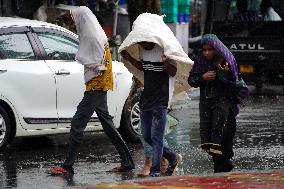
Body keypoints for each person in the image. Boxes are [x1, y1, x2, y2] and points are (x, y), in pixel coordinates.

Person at [47, 6, 135, 175]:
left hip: (97, 84)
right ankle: (127, 162)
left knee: (77, 123)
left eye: (74, 21)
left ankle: (67, 166)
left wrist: (91, 66)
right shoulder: (94, 32)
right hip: (97, 82)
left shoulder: (93, 36)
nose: (75, 25)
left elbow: (94, 61)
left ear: (82, 20)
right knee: (107, 124)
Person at [121, 41, 182, 177]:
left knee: (157, 136)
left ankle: (155, 169)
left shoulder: (164, 49)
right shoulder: (142, 50)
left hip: (161, 98)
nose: (143, 44)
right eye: (140, 42)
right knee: (146, 135)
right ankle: (173, 157)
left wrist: (166, 62)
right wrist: (130, 58)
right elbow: (143, 67)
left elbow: (174, 72)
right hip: (146, 99)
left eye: (145, 42)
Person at [188, 34, 239, 173]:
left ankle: (224, 166)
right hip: (206, 105)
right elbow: (191, 80)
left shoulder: (226, 60)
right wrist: (202, 78)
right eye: (204, 50)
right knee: (210, 138)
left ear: (216, 49)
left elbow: (234, 82)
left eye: (210, 49)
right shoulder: (200, 61)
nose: (206, 53)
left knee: (223, 137)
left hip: (224, 105)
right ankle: (219, 169)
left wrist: (224, 74)